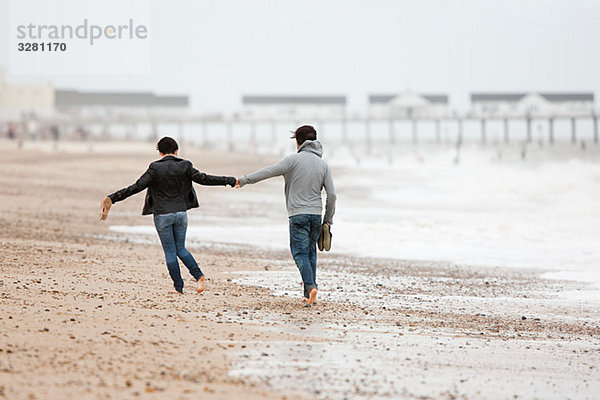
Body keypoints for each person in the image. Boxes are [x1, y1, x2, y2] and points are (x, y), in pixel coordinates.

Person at [99, 137, 237, 294]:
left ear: (160, 152)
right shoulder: (185, 165)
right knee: (181, 249)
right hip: (181, 214)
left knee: (170, 251)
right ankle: (199, 277)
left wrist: (113, 198)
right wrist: (230, 180)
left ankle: (179, 288)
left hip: (163, 215)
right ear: (176, 151)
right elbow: (205, 179)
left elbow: (136, 187)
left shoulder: (155, 168)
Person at [236, 125, 336, 305]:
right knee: (311, 252)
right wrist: (328, 220)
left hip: (297, 215)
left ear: (298, 142)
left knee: (299, 253)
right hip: (315, 215)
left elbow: (267, 172)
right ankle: (309, 295)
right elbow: (332, 195)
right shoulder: (323, 165)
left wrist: (243, 180)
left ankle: (311, 286)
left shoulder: (292, 160)